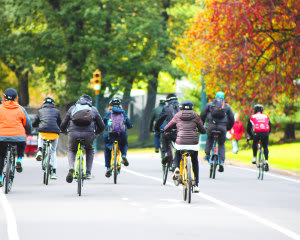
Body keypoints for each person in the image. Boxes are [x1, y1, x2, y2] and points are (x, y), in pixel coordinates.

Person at [60, 95, 105, 182]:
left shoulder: (72, 108)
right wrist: (96, 133)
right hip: (88, 135)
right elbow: (102, 126)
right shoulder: (93, 109)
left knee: (72, 150)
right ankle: (88, 172)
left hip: (73, 134)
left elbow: (63, 124)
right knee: (90, 149)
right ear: (90, 102)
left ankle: (71, 168)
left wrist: (64, 131)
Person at [164, 100, 206, 193]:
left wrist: (165, 130)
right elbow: (202, 129)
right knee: (195, 161)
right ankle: (196, 185)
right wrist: (202, 130)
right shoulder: (195, 115)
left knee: (178, 153)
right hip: (193, 143)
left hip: (181, 141)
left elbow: (168, 126)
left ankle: (177, 168)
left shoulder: (178, 115)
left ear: (181, 107)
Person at [0, 88, 32, 186]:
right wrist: (29, 132)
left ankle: (0, 178)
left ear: (4, 98)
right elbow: (27, 124)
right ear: (16, 98)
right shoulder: (20, 109)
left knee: (1, 156)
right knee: (22, 144)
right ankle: (19, 159)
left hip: (2, 137)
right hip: (18, 137)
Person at [200, 91, 234, 172]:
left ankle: (207, 154)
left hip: (211, 126)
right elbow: (232, 119)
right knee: (221, 144)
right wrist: (228, 127)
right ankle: (221, 161)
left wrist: (202, 125)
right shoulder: (226, 106)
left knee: (209, 139)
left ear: (215, 97)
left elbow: (202, 115)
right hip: (222, 127)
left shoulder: (210, 105)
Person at [32, 97, 62, 179]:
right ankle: (54, 173)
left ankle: (40, 151)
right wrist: (61, 129)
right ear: (53, 104)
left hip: (43, 132)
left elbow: (35, 123)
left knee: (40, 134)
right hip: (54, 133)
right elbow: (60, 123)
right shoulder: (57, 111)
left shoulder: (40, 111)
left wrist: (34, 126)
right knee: (53, 151)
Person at [103, 97, 133, 177]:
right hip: (121, 134)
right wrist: (130, 126)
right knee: (124, 144)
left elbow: (103, 123)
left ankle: (108, 167)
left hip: (110, 134)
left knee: (107, 148)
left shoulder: (108, 113)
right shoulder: (123, 112)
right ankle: (124, 155)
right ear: (120, 105)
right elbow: (128, 123)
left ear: (110, 105)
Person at [154, 93, 179, 164]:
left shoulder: (166, 108)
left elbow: (160, 119)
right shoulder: (181, 107)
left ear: (167, 101)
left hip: (170, 131)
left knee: (164, 138)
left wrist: (156, 128)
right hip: (181, 131)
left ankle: (165, 153)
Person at [247, 104, 271, 171]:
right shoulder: (266, 116)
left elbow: (248, 129)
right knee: (265, 147)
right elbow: (270, 127)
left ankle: (254, 157)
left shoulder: (252, 117)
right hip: (265, 132)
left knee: (255, 143)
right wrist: (267, 134)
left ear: (254, 110)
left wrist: (251, 136)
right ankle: (266, 160)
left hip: (257, 132)